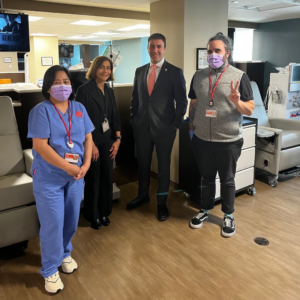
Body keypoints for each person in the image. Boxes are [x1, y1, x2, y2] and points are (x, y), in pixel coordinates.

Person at [28, 66, 94, 293]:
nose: (63, 86)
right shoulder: (41, 111)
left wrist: (85, 165)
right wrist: (69, 167)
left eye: (66, 81)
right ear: (47, 87)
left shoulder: (79, 108)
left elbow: (88, 138)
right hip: (49, 178)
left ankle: (64, 253)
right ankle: (49, 269)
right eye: (57, 82)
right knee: (52, 223)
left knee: (70, 220)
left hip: (75, 176)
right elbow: (40, 146)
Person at [188, 32, 255, 237]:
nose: (212, 54)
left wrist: (237, 102)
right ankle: (205, 210)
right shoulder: (198, 76)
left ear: (227, 53)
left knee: (227, 180)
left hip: (228, 140)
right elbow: (194, 102)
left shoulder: (239, 76)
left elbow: (250, 109)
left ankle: (228, 215)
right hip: (202, 139)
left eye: (217, 51)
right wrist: (191, 126)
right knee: (206, 178)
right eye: (209, 51)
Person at [127, 33, 188, 221]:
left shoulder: (175, 72)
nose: (155, 50)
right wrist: (134, 119)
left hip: (165, 130)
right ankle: (143, 195)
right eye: (152, 46)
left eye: (159, 46)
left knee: (163, 168)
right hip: (142, 128)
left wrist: (175, 125)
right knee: (143, 165)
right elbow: (135, 99)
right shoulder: (140, 71)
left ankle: (161, 204)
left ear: (164, 48)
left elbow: (182, 102)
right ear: (147, 48)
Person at [75, 56, 121, 230]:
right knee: (93, 178)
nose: (105, 71)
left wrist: (118, 139)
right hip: (91, 141)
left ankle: (104, 212)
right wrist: (90, 144)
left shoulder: (109, 90)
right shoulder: (84, 90)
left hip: (108, 140)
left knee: (107, 176)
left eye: (108, 68)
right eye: (102, 67)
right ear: (95, 69)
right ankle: (92, 215)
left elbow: (114, 115)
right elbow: (79, 120)